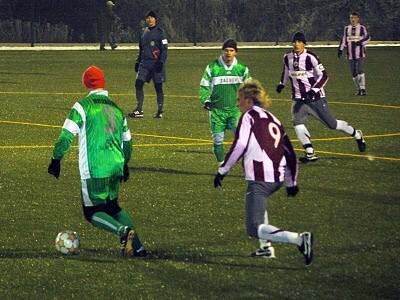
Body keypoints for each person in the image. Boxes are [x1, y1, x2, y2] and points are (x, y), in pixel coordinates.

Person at [48, 65, 147, 258]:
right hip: (115, 167)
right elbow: (127, 141)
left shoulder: (82, 107)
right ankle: (138, 248)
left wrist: (56, 159)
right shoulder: (116, 109)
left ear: (86, 83)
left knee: (92, 212)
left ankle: (122, 232)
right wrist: (125, 163)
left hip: (95, 169)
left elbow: (66, 136)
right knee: (113, 207)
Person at [213, 79, 313, 266]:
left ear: (249, 101)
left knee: (253, 227)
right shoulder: (273, 118)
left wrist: (222, 170)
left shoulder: (249, 116)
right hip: (278, 177)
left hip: (260, 177)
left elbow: (240, 145)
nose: (237, 103)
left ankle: (300, 239)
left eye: (240, 99)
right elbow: (289, 152)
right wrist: (291, 182)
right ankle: (266, 248)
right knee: (260, 208)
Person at [276, 32, 367, 163]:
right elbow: (286, 71)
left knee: (332, 124)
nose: (296, 44)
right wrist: (281, 84)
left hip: (315, 99)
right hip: (298, 99)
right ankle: (310, 153)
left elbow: (324, 76)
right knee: (297, 123)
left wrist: (314, 90)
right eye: (294, 42)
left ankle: (357, 134)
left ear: (304, 43)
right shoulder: (287, 57)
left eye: (299, 42)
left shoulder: (311, 57)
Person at [199, 39, 251, 165]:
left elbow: (249, 88)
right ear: (222, 51)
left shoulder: (242, 69)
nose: (228, 53)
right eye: (226, 50)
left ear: (236, 53)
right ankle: (221, 166)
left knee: (242, 140)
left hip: (235, 111)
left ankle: (248, 165)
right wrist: (206, 100)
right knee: (218, 140)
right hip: (217, 111)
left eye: (231, 50)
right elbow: (204, 86)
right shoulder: (213, 67)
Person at [128, 10, 168, 119]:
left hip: (156, 64)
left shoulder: (161, 32)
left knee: (158, 87)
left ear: (156, 20)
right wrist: (137, 61)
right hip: (145, 64)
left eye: (151, 17)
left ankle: (160, 110)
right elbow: (141, 49)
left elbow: (164, 50)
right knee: (138, 84)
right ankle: (139, 110)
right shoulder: (143, 32)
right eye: (148, 17)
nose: (149, 19)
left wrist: (161, 62)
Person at [338, 12, 370, 96]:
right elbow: (344, 39)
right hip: (350, 54)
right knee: (353, 73)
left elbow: (367, 37)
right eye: (351, 18)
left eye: (354, 18)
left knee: (359, 69)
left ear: (357, 19)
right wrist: (340, 50)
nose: (353, 19)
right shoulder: (346, 28)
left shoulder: (362, 28)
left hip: (360, 53)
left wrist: (360, 42)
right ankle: (358, 89)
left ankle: (363, 89)